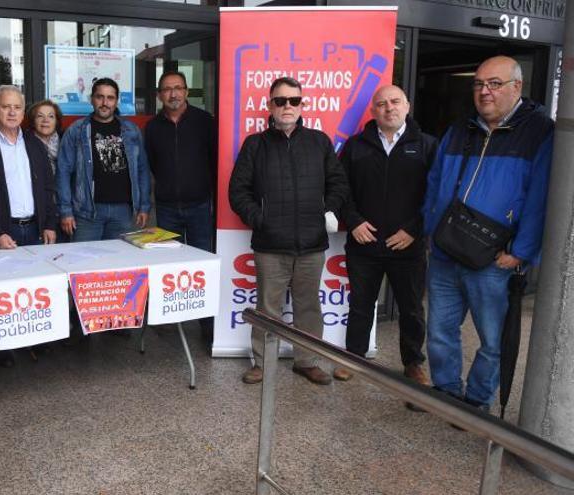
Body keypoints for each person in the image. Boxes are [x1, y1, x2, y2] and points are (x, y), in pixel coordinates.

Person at [423, 55, 553, 411]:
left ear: (517, 87)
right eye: (479, 84)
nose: (484, 91)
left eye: (494, 84)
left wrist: (522, 251)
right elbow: (434, 183)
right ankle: (447, 393)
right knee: (439, 332)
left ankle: (477, 401)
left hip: (494, 259)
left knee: (492, 341)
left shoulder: (540, 132)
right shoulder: (460, 127)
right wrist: (430, 230)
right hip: (447, 251)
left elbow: (542, 198)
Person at [228, 77, 348, 385]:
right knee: (268, 308)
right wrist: (261, 218)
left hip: (312, 242)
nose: (287, 106)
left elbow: (338, 183)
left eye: (293, 101)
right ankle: (263, 363)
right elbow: (238, 191)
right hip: (270, 243)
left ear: (302, 104)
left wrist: (327, 210)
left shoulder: (319, 141)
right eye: (280, 101)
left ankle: (306, 360)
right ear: (270, 105)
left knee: (309, 305)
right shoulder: (255, 144)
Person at [335, 85, 437, 398]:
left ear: (407, 105)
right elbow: (339, 189)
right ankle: (353, 357)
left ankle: (413, 363)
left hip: (408, 246)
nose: (388, 108)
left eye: (394, 102)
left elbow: (436, 196)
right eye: (381, 104)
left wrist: (414, 231)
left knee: (411, 310)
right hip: (364, 245)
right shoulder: (355, 146)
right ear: (373, 111)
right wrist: (352, 222)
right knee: (361, 305)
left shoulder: (428, 146)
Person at [0, 85, 58, 367]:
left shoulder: (34, 144)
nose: (11, 112)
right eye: (5, 107)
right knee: (3, 291)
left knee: (34, 286)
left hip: (34, 228)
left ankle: (33, 341)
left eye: (17, 107)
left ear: (23, 112)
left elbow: (47, 188)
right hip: (5, 230)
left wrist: (49, 224)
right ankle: (3, 347)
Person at [145, 70, 217, 342]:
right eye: (167, 89)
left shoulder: (205, 122)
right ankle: (169, 320)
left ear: (186, 91)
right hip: (166, 209)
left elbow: (214, 162)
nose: (173, 94)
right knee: (167, 269)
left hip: (199, 206)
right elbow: (153, 163)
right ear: (159, 95)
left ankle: (207, 327)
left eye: (178, 88)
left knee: (202, 269)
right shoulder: (152, 127)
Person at [57, 78, 151, 241]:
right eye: (100, 97)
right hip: (87, 211)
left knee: (119, 262)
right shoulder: (76, 130)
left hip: (123, 211)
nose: (104, 103)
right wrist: (66, 211)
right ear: (91, 99)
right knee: (85, 263)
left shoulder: (131, 130)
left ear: (116, 101)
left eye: (110, 98)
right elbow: (63, 171)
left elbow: (142, 169)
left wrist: (144, 206)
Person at [28, 99, 63, 175]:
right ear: (33, 121)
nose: (46, 120)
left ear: (56, 121)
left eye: (51, 116)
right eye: (40, 116)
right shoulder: (25, 143)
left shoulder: (66, 140)